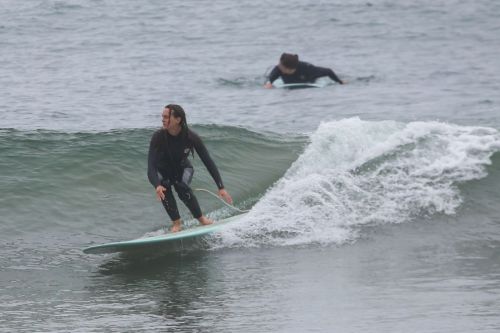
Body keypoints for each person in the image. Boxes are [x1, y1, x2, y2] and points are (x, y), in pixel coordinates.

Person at [148, 104, 233, 232]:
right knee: (164, 187)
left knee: (182, 187)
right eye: (162, 117)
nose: (163, 119)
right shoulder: (158, 137)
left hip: (183, 169)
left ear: (178, 119)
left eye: (166, 117)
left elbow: (208, 161)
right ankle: (176, 223)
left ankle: (201, 219)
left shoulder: (191, 137)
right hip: (163, 171)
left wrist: (221, 187)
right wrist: (157, 185)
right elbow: (151, 166)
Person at [264, 53, 345, 88]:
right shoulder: (278, 69)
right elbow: (271, 78)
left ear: (289, 69)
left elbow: (328, 71)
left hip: (308, 81)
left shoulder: (308, 69)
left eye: (281, 66)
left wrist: (340, 82)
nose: (278, 66)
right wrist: (269, 83)